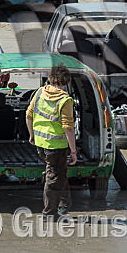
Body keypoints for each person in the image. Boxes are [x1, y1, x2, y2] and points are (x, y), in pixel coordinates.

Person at [26, 64, 77, 217]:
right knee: (53, 179)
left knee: (58, 172)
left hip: (40, 144)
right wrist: (73, 151)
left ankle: (64, 204)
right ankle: (49, 213)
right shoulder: (65, 100)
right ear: (66, 81)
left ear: (50, 78)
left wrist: (32, 135)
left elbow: (29, 115)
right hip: (56, 146)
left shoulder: (40, 92)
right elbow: (68, 128)